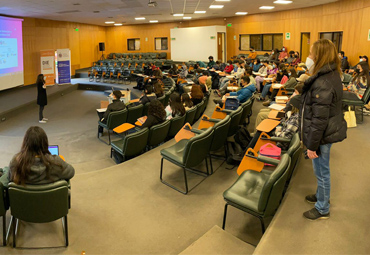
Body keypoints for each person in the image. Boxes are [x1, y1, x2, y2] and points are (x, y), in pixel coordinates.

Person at [300, 39, 347, 220]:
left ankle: (322, 208)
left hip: (322, 134)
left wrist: (311, 145)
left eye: (311, 53)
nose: (309, 57)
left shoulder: (323, 82)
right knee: (321, 170)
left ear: (319, 56)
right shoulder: (330, 75)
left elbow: (319, 119)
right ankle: (321, 197)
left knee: (322, 171)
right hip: (325, 132)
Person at [0, 126, 75, 187]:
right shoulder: (56, 162)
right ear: (45, 143)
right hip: (51, 203)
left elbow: (10, 178)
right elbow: (71, 172)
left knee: (6, 170)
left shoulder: (16, 162)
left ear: (25, 144)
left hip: (24, 204)